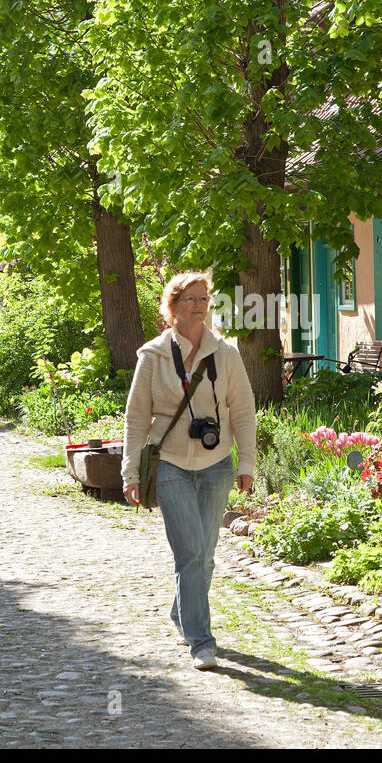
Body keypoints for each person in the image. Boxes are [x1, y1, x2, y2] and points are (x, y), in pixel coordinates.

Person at [122, 271, 256, 671]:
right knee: (191, 554)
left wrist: (246, 462)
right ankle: (201, 641)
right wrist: (130, 472)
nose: (198, 306)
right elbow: (135, 419)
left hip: (216, 465)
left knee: (207, 555)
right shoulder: (154, 356)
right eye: (189, 299)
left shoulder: (226, 354)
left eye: (203, 299)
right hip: (170, 465)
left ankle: (182, 613)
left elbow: (244, 412)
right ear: (172, 307)